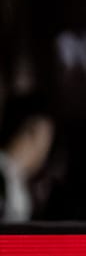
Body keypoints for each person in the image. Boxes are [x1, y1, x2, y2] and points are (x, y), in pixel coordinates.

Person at [0, 95, 54, 223]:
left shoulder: (18, 180)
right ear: (31, 134)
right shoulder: (5, 177)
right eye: (45, 144)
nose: (44, 156)